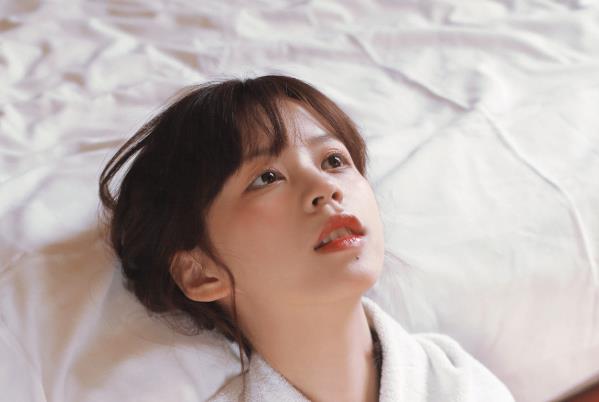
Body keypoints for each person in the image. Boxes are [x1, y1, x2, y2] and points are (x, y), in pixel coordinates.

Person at [99, 74, 515, 402]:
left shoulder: (458, 381)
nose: (325, 187)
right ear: (200, 272)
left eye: (334, 160)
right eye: (266, 177)